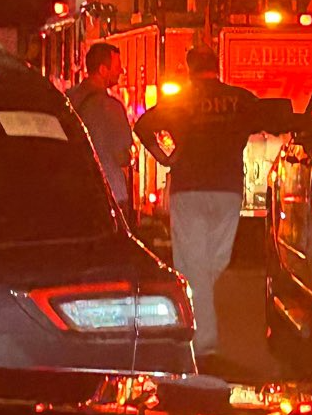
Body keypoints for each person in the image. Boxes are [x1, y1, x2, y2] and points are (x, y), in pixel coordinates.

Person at [134, 47, 259, 367]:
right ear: (217, 67)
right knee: (216, 260)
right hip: (228, 190)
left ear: (189, 69)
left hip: (189, 188)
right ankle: (205, 338)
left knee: (194, 265)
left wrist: (166, 157)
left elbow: (143, 126)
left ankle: (202, 342)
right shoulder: (240, 99)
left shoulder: (179, 101)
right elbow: (271, 118)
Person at [67, 43, 135, 224]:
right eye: (117, 66)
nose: (121, 71)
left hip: (75, 190)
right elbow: (123, 157)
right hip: (110, 193)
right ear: (103, 70)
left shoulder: (67, 99)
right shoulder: (112, 108)